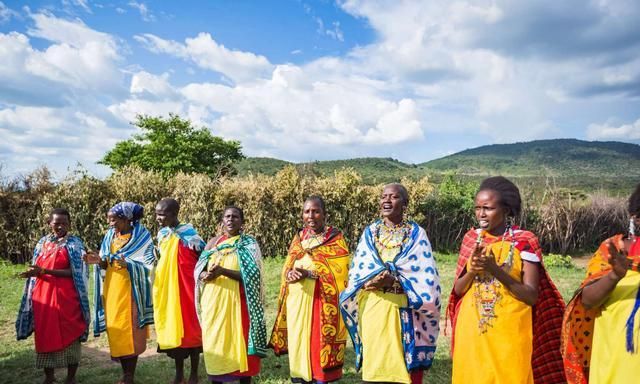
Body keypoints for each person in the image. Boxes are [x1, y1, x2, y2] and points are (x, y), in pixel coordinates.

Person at [448, 176, 566, 384]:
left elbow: (531, 296)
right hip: (472, 331)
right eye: (477, 208)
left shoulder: (524, 241)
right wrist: (472, 271)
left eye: (488, 208)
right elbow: (458, 290)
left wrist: (495, 269)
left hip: (510, 332)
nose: (481, 214)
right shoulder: (471, 239)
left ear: (507, 210)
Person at [339, 183, 440, 384]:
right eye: (383, 196)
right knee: (375, 367)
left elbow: (425, 279)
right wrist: (372, 282)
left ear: (405, 204)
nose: (386, 200)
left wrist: (394, 280)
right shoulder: (370, 233)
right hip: (373, 310)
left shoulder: (416, 235)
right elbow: (358, 274)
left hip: (403, 310)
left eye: (393, 197)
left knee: (400, 370)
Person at [561, 183, 640, 384]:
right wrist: (615, 275)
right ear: (635, 217)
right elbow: (587, 301)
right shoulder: (613, 249)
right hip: (616, 355)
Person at [270, 196, 350, 383]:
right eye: (307, 211)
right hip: (297, 301)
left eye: (316, 211)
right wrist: (290, 274)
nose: (311, 215)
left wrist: (309, 274)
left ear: (325, 214)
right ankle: (299, 377)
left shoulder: (335, 239)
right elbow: (288, 266)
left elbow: (340, 274)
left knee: (316, 344)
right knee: (299, 340)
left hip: (321, 303)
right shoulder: (299, 238)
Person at [16, 208, 90, 384]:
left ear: (69, 224)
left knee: (70, 333)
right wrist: (32, 273)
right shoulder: (42, 243)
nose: (60, 227)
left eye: (64, 223)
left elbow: (75, 272)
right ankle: (49, 377)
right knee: (44, 333)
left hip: (67, 297)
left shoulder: (74, 244)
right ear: (49, 224)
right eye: (57, 223)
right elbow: (37, 266)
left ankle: (70, 378)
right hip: (43, 296)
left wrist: (44, 271)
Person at [85, 202, 155, 384]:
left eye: (114, 219)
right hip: (112, 289)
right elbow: (104, 261)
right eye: (109, 220)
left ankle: (129, 376)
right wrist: (97, 260)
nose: (110, 223)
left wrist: (130, 265)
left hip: (132, 291)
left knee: (131, 331)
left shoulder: (141, 237)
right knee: (116, 330)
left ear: (127, 219)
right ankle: (125, 374)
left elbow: (150, 264)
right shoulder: (110, 236)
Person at [195, 206, 267, 384]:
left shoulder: (248, 244)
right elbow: (198, 270)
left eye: (235, 217)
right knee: (216, 343)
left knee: (240, 345)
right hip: (214, 305)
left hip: (240, 305)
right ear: (222, 221)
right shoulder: (213, 243)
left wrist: (223, 271)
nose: (231, 220)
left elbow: (252, 276)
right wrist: (206, 275)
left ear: (242, 222)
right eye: (227, 216)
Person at [153, 198, 205, 384]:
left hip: (187, 289)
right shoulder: (163, 235)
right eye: (157, 213)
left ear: (174, 214)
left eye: (162, 214)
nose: (158, 218)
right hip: (168, 289)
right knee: (174, 328)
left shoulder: (190, 235)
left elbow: (203, 257)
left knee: (191, 329)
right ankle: (179, 373)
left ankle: (194, 373)